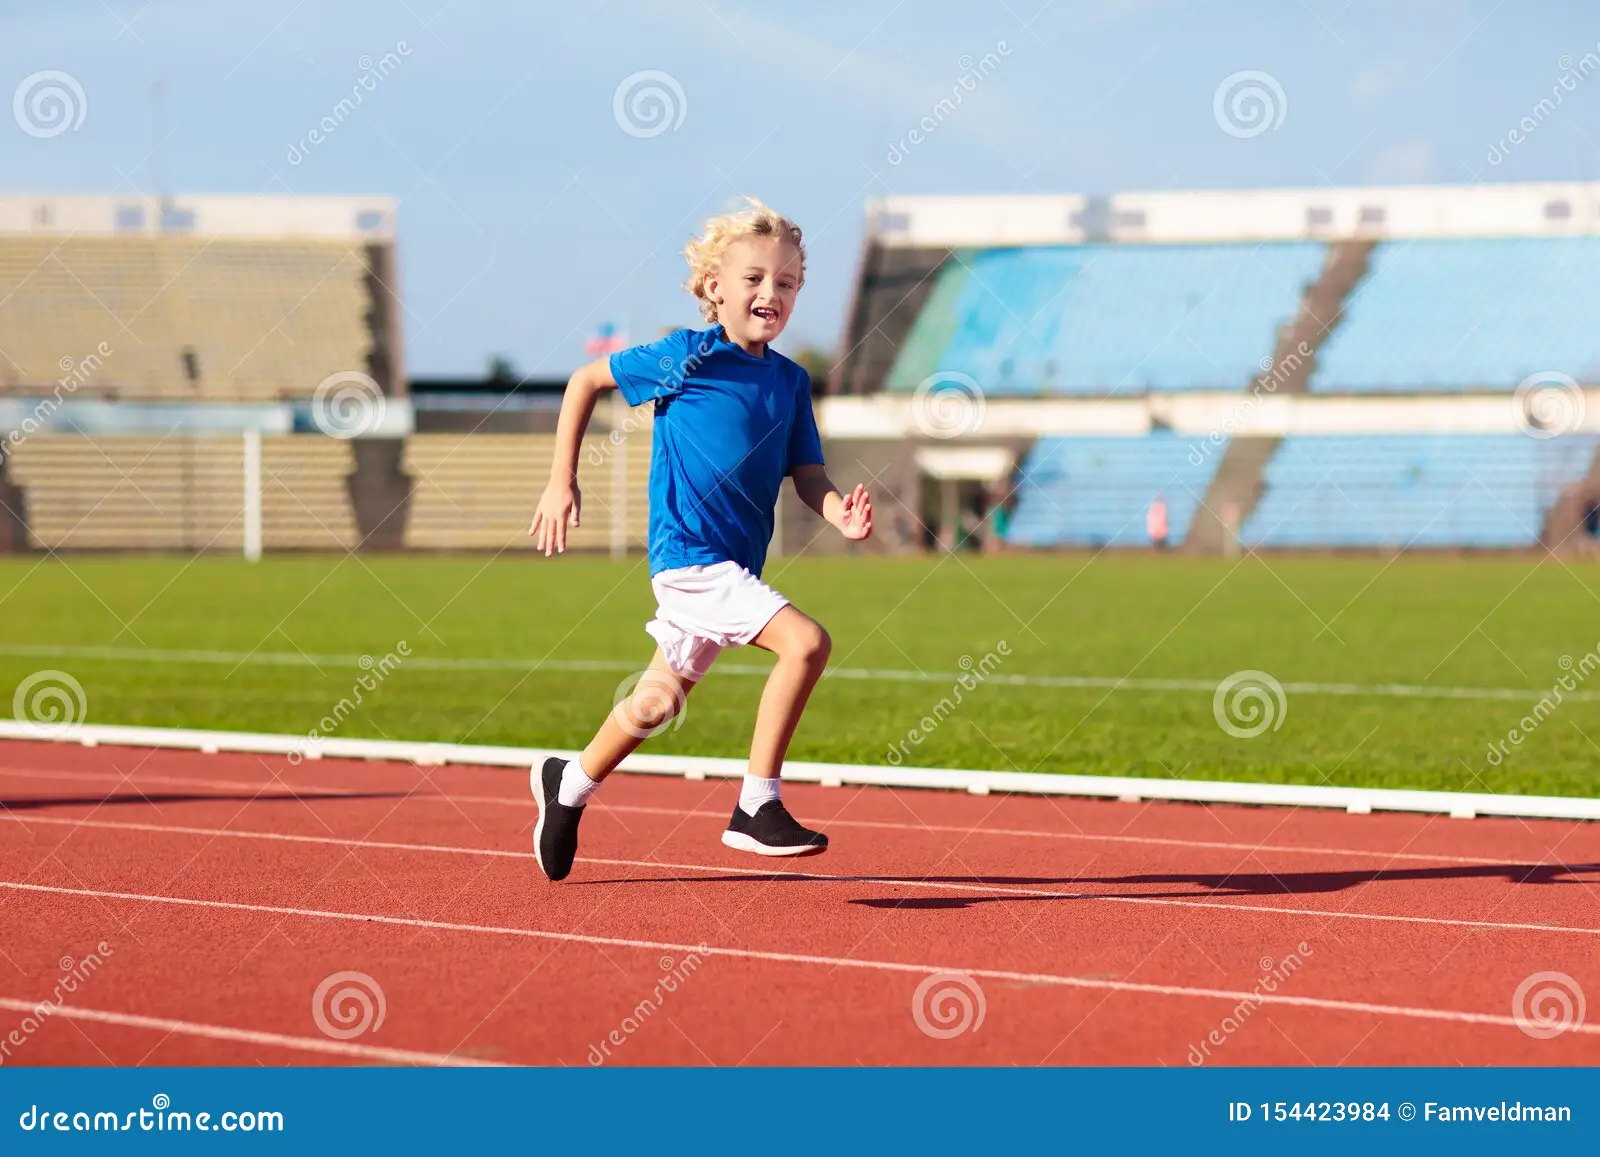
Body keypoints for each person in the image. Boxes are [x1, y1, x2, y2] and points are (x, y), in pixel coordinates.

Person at [526, 198, 873, 882]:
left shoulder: (791, 382)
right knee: (806, 643)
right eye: (755, 278)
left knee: (657, 701)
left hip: (734, 566)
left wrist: (839, 514)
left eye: (787, 283)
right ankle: (756, 804)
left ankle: (569, 783)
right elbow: (586, 380)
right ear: (714, 285)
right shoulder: (687, 356)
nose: (772, 293)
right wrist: (561, 480)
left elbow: (808, 474)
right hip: (689, 558)